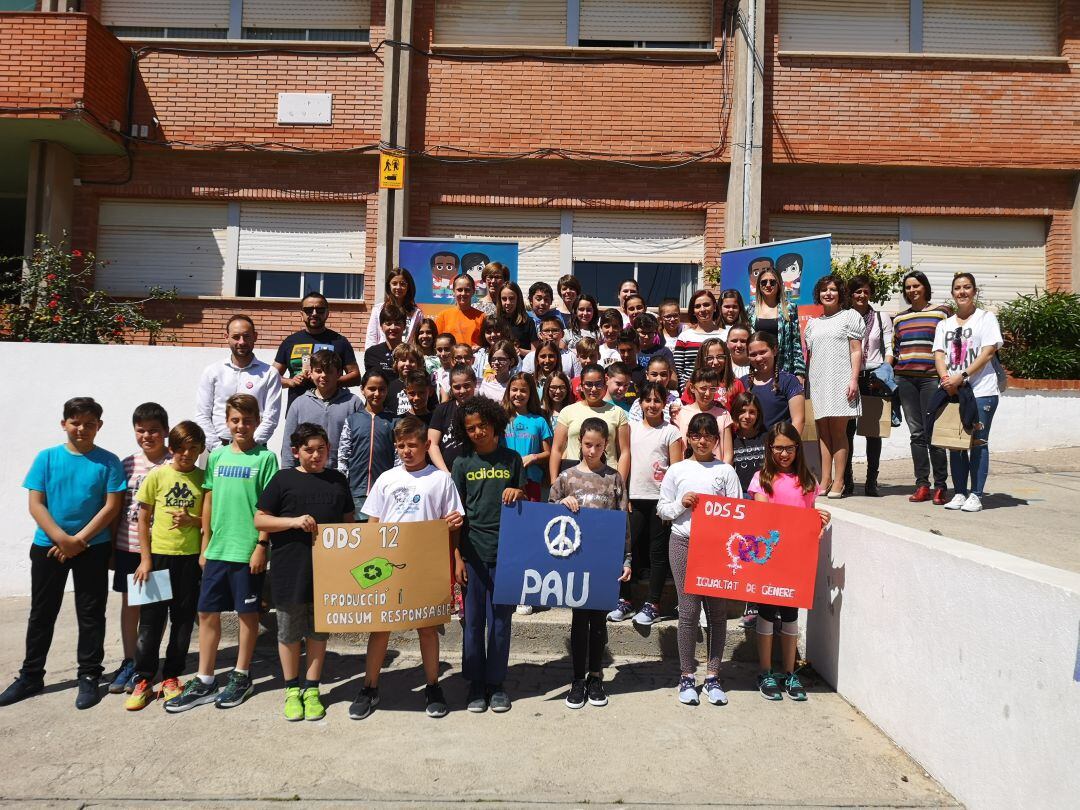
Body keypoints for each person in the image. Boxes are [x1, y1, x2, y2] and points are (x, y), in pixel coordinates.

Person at [0, 397, 125, 709]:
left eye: (90, 423)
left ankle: (89, 675)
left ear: (99, 426)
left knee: (91, 613)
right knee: (42, 613)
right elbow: (36, 503)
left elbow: (111, 507)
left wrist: (78, 540)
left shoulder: (108, 462)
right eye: (76, 422)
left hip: (92, 548)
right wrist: (61, 538)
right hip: (48, 547)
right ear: (64, 424)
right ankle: (30, 676)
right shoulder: (47, 458)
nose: (82, 428)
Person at [165, 394, 277, 712]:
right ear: (226, 422)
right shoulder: (216, 457)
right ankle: (205, 678)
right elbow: (208, 503)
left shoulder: (265, 459)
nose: (241, 426)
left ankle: (241, 675)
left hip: (247, 551)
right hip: (217, 550)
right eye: (235, 420)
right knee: (206, 613)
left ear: (257, 422)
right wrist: (205, 546)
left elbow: (268, 508)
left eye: (247, 420)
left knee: (247, 614)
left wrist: (261, 546)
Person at [353, 416, 465, 719]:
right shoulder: (387, 479)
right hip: (387, 567)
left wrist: (454, 533)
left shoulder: (441, 479)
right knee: (380, 629)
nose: (406, 451)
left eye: (412, 445)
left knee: (428, 630)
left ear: (427, 445)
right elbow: (373, 525)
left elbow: (454, 522)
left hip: (427, 566)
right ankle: (369, 687)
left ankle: (432, 687)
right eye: (400, 446)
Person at [255, 423, 353, 721]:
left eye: (321, 449)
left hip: (326, 572)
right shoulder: (283, 480)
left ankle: (312, 688)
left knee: (318, 632)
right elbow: (261, 520)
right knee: (288, 633)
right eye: (308, 450)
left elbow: (349, 524)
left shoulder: (338, 480)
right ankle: (291, 689)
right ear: (296, 452)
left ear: (329, 450)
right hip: (290, 570)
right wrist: (294, 522)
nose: (315, 455)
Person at [657, 412, 742, 706]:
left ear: (717, 440)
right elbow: (662, 509)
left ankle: (713, 676)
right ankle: (686, 676)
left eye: (708, 435)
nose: (702, 440)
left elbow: (738, 513)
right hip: (682, 542)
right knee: (689, 610)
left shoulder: (726, 472)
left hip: (718, 548)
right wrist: (682, 504)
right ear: (688, 439)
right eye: (696, 435)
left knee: (717, 612)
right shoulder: (677, 470)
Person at [451, 398, 527, 713]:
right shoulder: (461, 462)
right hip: (471, 554)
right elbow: (454, 515)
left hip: (506, 554)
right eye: (471, 428)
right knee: (472, 623)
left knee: (499, 622)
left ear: (494, 422)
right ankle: (475, 683)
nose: (478, 432)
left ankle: (496, 684)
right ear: (464, 432)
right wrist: (455, 557)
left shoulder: (512, 460)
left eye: (483, 425)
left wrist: (518, 492)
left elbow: (524, 502)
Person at [550, 418, 631, 709]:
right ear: (579, 443)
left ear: (606, 445)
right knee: (579, 620)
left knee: (598, 621)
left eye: (598, 445)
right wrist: (562, 504)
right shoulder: (566, 477)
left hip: (603, 561)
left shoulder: (613, 478)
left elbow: (623, 520)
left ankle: (596, 676)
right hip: (574, 560)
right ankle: (577, 679)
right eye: (587, 444)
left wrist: (627, 558)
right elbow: (549, 515)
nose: (592, 450)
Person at [125, 421, 206, 711]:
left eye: (193, 449)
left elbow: (207, 520)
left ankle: (172, 676)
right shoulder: (157, 476)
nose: (186, 454)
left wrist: (192, 521)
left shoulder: (204, 479)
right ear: (171, 448)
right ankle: (143, 678)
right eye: (181, 448)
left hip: (189, 560)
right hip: (157, 558)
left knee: (183, 620)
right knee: (150, 621)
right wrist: (145, 560)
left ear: (200, 450)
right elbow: (142, 519)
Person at [747, 423, 830, 702]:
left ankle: (789, 671)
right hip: (770, 558)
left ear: (798, 449)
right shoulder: (762, 478)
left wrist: (820, 520)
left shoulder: (808, 481)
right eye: (779, 447)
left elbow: (810, 519)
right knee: (768, 613)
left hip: (796, 560)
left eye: (790, 448)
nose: (784, 453)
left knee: (791, 615)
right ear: (770, 449)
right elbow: (760, 514)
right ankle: (766, 670)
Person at [109, 402, 171, 696]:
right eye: (141, 430)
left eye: (154, 431)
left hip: (159, 548)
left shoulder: (174, 464)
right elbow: (117, 507)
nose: (148, 436)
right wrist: (111, 546)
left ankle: (148, 662)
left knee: (154, 609)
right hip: (127, 546)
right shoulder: (127, 464)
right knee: (130, 605)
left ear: (166, 432)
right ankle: (129, 660)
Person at [607, 383, 682, 626]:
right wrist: (624, 494)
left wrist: (669, 503)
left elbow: (677, 469)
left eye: (657, 400)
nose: (652, 405)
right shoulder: (631, 429)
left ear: (664, 403)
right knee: (627, 551)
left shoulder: (672, 432)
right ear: (639, 403)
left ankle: (653, 604)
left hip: (660, 501)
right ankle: (625, 601)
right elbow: (625, 460)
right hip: (634, 498)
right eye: (647, 400)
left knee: (657, 554)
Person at [933, 273, 1003, 514]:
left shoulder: (986, 318)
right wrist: (946, 379)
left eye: (967, 287)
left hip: (981, 390)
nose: (962, 292)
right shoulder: (945, 324)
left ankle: (976, 494)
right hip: (953, 391)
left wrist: (961, 376)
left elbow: (988, 352)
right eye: (957, 288)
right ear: (952, 293)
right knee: (956, 443)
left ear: (974, 291)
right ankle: (960, 492)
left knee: (978, 442)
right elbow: (939, 354)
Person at [893, 270, 952, 504]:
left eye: (916, 286)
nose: (912, 290)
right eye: (908, 287)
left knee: (933, 433)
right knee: (916, 434)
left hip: (931, 379)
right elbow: (896, 349)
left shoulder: (942, 312)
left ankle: (940, 487)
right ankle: (922, 485)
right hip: (905, 379)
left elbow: (951, 341)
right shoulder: (899, 318)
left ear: (925, 287)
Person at [804, 275, 864, 499]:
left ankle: (839, 481)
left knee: (839, 433)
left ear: (840, 294)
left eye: (832, 290)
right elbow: (810, 356)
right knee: (823, 434)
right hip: (819, 381)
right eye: (823, 290)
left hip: (842, 380)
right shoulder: (813, 323)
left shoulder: (850, 317)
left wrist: (853, 379)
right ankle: (825, 479)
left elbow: (856, 350)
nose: (828, 293)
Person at [195, 314, 282, 452]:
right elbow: (202, 415)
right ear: (226, 337)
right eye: (236, 337)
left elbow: (271, 417)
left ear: (255, 336)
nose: (241, 342)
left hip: (255, 450)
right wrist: (218, 448)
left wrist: (250, 446)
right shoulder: (212, 371)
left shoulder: (270, 374)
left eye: (246, 336)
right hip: (216, 449)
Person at [844, 275, 894, 497]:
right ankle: (847, 480)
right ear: (850, 294)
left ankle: (872, 481)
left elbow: (890, 349)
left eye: (865, 291)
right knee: (847, 431)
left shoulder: (882, 318)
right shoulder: (844, 317)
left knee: (873, 433)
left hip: (874, 377)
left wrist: (885, 370)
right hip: (849, 377)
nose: (861, 295)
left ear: (870, 293)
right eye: (857, 291)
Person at [280, 349, 362, 471]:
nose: (323, 375)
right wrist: (287, 472)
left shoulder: (353, 403)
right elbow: (288, 443)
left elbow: (360, 442)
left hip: (341, 475)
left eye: (329, 371)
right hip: (307, 474)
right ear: (311, 373)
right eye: (318, 371)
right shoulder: (299, 404)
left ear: (339, 373)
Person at [274, 292, 360, 409]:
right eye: (309, 310)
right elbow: (272, 376)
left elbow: (355, 377)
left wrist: (329, 381)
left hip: (333, 408)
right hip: (299, 410)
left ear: (327, 313)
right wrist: (290, 382)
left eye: (320, 310)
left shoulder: (340, 341)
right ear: (301, 314)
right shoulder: (290, 342)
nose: (314, 314)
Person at [550, 364, 631, 483]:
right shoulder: (568, 411)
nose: (593, 389)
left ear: (605, 383)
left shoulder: (618, 413)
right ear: (581, 386)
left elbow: (624, 452)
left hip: (607, 477)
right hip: (573, 478)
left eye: (598, 384)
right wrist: (554, 481)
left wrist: (621, 484)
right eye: (588, 384)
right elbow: (557, 449)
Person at [336, 368, 397, 518]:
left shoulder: (394, 421)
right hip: (356, 490)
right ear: (362, 390)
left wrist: (395, 484)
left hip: (385, 491)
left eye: (381, 389)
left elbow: (398, 457)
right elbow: (343, 456)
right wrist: (343, 485)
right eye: (372, 389)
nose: (377, 394)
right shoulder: (352, 420)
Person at [502, 372, 552, 503]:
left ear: (531, 394)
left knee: (530, 519)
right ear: (508, 392)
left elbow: (548, 453)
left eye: (523, 391)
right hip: (505, 477)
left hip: (531, 479)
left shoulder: (539, 420)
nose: (518, 394)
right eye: (514, 390)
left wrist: (533, 457)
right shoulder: (500, 418)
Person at [740, 332, 805, 433]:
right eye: (753, 354)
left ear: (774, 350)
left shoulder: (789, 382)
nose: (758, 358)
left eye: (762, 352)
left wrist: (789, 446)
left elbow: (798, 420)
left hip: (780, 446)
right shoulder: (742, 383)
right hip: (750, 447)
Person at [749, 267, 805, 380]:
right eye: (764, 282)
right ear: (759, 286)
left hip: (782, 368)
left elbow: (796, 343)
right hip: (757, 368)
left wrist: (800, 373)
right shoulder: (750, 310)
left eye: (772, 282)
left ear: (779, 284)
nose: (768, 285)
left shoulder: (789, 308)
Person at [675, 368, 734, 463]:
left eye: (712, 389)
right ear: (692, 388)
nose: (707, 393)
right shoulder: (680, 414)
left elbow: (728, 454)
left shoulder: (723, 414)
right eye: (703, 388)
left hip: (716, 472)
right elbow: (677, 451)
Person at [428, 364, 477, 473]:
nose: (462, 391)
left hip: (477, 473)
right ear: (451, 386)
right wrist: (446, 474)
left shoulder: (484, 408)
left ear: (475, 383)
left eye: (467, 385)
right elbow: (432, 444)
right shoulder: (442, 409)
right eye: (457, 387)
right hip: (447, 472)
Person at [365, 267, 425, 346]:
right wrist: (371, 356)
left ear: (409, 287)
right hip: (382, 356)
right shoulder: (378, 309)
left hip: (406, 356)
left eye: (403, 284)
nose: (398, 287)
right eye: (394, 283)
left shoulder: (416, 313)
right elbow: (371, 337)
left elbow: (417, 341)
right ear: (389, 286)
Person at [674, 290, 722, 387]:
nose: (702, 309)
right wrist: (685, 392)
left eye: (706, 305)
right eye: (697, 306)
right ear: (693, 311)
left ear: (715, 307)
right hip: (691, 394)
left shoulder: (725, 336)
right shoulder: (684, 337)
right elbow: (678, 370)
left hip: (720, 393)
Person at [679, 338, 745, 408]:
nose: (716, 362)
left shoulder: (736, 384)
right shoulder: (694, 383)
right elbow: (687, 409)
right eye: (709, 358)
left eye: (720, 357)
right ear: (702, 360)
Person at [730, 392, 767, 496]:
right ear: (735, 413)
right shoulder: (731, 439)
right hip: (739, 494)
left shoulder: (767, 437)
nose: (747, 416)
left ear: (758, 414)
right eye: (742, 411)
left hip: (762, 494)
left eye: (752, 412)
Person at [628, 356, 682, 424]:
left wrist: (680, 415)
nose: (659, 379)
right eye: (654, 374)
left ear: (670, 375)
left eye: (663, 375)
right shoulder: (638, 403)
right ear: (647, 375)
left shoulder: (676, 403)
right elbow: (632, 429)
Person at [435, 274, 485, 346]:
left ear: (473, 291)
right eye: (459, 290)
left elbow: (485, 343)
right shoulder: (443, 316)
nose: (463, 293)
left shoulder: (482, 317)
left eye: (467, 290)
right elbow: (437, 343)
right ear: (453, 291)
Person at [363, 304, 407, 378]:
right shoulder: (372, 353)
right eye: (388, 324)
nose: (393, 327)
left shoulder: (412, 353)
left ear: (404, 326)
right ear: (381, 326)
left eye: (397, 323)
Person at [498, 282, 539, 358]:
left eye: (512, 298)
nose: (508, 302)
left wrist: (519, 351)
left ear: (518, 299)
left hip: (521, 367)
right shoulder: (496, 321)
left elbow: (535, 352)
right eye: (504, 299)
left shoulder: (528, 322)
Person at [472, 316, 513, 382]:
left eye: (497, 331)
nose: (493, 335)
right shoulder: (479, 355)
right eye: (488, 332)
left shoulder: (512, 354)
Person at [433, 332, 457, 402]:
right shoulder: (433, 374)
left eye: (447, 349)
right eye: (439, 350)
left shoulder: (461, 372)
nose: (443, 354)